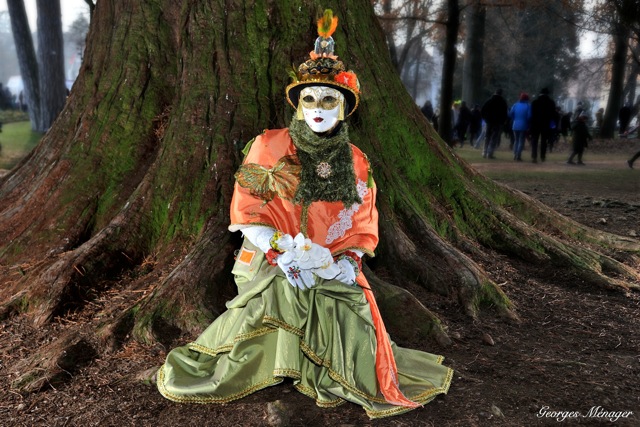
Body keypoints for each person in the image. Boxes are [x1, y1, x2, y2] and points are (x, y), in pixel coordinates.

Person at [156, 10, 453, 419]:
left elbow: (362, 220)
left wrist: (346, 261)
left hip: (331, 262)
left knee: (348, 303)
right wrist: (283, 251)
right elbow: (247, 208)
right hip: (269, 257)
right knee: (280, 292)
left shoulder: (355, 160)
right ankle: (276, 362)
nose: (317, 108)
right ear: (297, 103)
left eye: (329, 99)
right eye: (309, 98)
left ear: (345, 107)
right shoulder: (269, 146)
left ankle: (330, 367)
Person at [529, 88, 557, 163]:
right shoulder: (551, 103)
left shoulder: (535, 102)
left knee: (534, 141)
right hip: (546, 125)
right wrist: (553, 126)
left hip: (535, 124)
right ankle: (542, 156)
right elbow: (553, 115)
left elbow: (532, 114)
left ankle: (534, 156)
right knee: (544, 141)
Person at [481, 88, 508, 159]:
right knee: (494, 138)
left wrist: (486, 118)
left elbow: (483, 110)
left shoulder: (489, 100)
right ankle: (490, 153)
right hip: (498, 122)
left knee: (487, 136)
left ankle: (484, 151)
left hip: (489, 121)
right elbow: (505, 113)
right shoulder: (503, 102)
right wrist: (503, 121)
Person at [509, 92, 531, 161]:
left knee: (516, 140)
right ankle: (518, 155)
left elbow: (510, 114)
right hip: (524, 125)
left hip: (515, 125)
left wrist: (514, 119)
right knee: (521, 141)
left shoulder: (515, 105)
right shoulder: (528, 106)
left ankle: (514, 154)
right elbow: (529, 116)